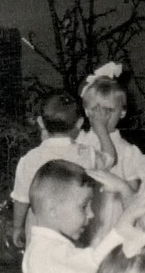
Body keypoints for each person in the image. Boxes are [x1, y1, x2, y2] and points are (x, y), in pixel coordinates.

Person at [75, 63, 145, 238]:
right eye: (96, 110)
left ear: (122, 112)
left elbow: (133, 197)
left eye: (108, 110)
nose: (102, 117)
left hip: (113, 223)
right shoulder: (78, 143)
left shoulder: (129, 153)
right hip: (82, 224)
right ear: (87, 111)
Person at [9, 92, 96, 247]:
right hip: (76, 226)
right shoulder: (87, 154)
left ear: (41, 122)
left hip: (40, 229)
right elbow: (110, 159)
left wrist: (17, 228)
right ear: (79, 123)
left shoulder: (30, 159)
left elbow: (21, 199)